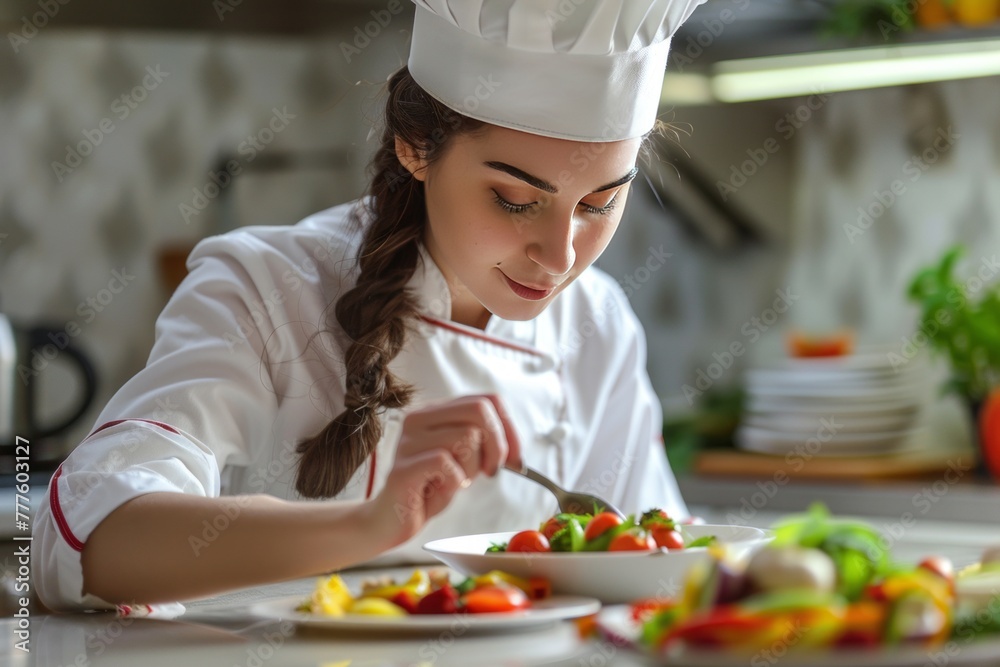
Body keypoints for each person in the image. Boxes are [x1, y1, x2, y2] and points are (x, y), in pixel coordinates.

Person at [34, 0, 706, 612]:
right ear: (415, 146)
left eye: (600, 204)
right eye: (514, 199)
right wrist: (368, 522)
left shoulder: (598, 324)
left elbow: (655, 567)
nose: (560, 256)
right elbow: (83, 538)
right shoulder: (266, 287)